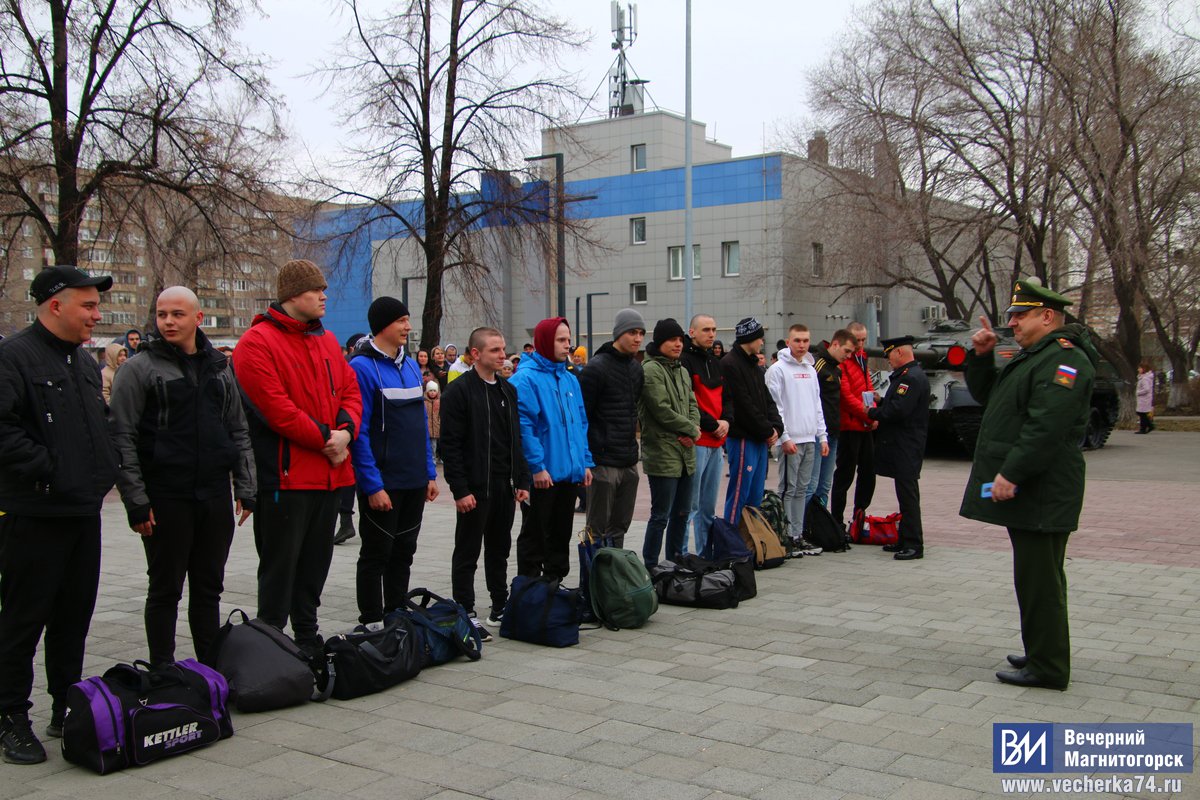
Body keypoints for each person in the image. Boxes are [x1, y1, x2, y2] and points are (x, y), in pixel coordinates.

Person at [0, 266, 118, 764]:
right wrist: (51, 469)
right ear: (56, 306)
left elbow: (99, 425)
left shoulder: (83, 363)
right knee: (24, 620)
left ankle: (65, 705)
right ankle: (10, 716)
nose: (97, 314)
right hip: (35, 513)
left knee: (74, 618)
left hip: (81, 512)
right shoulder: (14, 357)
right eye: (88, 306)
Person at [960, 278, 1097, 690]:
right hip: (1039, 489)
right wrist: (982, 356)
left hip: (1043, 489)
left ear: (1048, 316)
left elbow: (1045, 428)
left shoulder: (1063, 361)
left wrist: (1011, 473)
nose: (1013, 323)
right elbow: (993, 397)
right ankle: (1041, 649)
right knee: (1037, 577)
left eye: (1021, 315)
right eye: (1013, 316)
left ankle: (1050, 667)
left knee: (1040, 581)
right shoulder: (1035, 356)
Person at [109, 287, 256, 667]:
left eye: (177, 314)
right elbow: (121, 437)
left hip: (212, 496)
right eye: (162, 314)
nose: (169, 321)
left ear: (198, 319)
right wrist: (136, 500)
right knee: (164, 591)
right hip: (165, 498)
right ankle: (162, 669)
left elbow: (237, 429)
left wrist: (246, 486)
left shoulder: (219, 368)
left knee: (208, 590)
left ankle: (209, 672)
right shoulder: (138, 368)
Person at [233, 259, 362, 656]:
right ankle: (269, 643)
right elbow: (275, 409)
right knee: (278, 568)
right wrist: (328, 439)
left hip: (328, 474)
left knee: (314, 565)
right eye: (315, 290)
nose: (324, 296)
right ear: (292, 296)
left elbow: (350, 390)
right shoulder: (255, 343)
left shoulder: (325, 340)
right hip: (284, 479)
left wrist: (346, 431)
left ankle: (307, 636)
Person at [348, 298, 438, 630]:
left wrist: (429, 473)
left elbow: (420, 427)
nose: (408, 326)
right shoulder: (360, 368)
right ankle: (371, 621)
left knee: (404, 552)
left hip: (414, 480)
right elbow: (359, 434)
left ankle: (396, 614)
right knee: (376, 554)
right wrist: (372, 485)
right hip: (384, 484)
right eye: (401, 320)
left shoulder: (412, 366)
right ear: (383, 325)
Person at [440, 327, 532, 637]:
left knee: (499, 549)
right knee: (467, 552)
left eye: (504, 349)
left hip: (504, 488)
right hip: (475, 490)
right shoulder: (459, 391)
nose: (503, 355)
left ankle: (499, 604)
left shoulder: (508, 390)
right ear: (476, 354)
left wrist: (522, 479)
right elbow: (449, 446)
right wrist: (461, 489)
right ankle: (464, 609)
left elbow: (515, 440)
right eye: (495, 350)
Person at [508, 317, 593, 580]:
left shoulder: (569, 379)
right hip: (543, 477)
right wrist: (537, 467)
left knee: (560, 535)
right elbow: (525, 428)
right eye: (560, 340)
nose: (567, 345)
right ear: (544, 341)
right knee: (535, 537)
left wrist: (585, 462)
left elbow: (580, 423)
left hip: (568, 473)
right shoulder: (525, 379)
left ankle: (554, 590)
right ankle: (531, 592)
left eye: (568, 339)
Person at [579, 309, 645, 548]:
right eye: (632, 332)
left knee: (619, 528)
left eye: (641, 333)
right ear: (618, 334)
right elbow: (582, 417)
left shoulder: (637, 369)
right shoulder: (596, 368)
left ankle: (613, 578)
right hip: (603, 462)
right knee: (595, 529)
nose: (638, 338)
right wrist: (587, 460)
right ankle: (592, 579)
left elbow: (634, 411)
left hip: (628, 461)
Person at [638, 319, 700, 568]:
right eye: (672, 340)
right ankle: (651, 566)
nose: (678, 344)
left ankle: (675, 561)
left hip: (685, 451)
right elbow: (660, 410)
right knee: (660, 515)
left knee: (682, 514)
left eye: (680, 340)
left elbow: (692, 404)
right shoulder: (650, 369)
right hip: (663, 453)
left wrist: (693, 430)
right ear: (659, 342)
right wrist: (689, 429)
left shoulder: (681, 369)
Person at [766, 324, 828, 555]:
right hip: (790, 441)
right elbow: (776, 407)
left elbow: (817, 404)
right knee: (788, 488)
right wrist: (784, 437)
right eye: (797, 340)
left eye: (805, 340)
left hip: (809, 438)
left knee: (803, 488)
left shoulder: (811, 370)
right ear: (788, 341)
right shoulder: (778, 370)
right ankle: (785, 535)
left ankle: (797, 534)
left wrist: (822, 436)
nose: (802, 345)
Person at [867, 335, 930, 561]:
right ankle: (905, 538)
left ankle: (914, 544)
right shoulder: (908, 375)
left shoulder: (910, 378)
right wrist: (882, 401)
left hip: (906, 445)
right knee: (904, 494)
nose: (888, 360)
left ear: (899, 353)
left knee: (908, 495)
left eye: (890, 355)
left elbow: (899, 411)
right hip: (904, 444)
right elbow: (897, 405)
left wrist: (872, 412)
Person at [721, 318, 783, 523]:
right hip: (743, 438)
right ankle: (731, 539)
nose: (762, 343)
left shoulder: (754, 366)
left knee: (755, 496)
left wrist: (776, 427)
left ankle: (752, 539)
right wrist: (767, 430)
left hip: (759, 438)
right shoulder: (730, 364)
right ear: (749, 339)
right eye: (760, 339)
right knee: (740, 493)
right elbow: (743, 405)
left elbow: (767, 400)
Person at [680, 314, 727, 556]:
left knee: (708, 508)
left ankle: (705, 555)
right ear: (692, 332)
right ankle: (680, 555)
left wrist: (726, 421)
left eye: (714, 329)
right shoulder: (685, 361)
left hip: (716, 442)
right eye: (706, 329)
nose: (711, 334)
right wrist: (713, 424)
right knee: (691, 505)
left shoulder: (715, 361)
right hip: (698, 440)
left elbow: (725, 398)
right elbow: (689, 402)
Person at [831, 322, 877, 528]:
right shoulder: (843, 361)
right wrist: (869, 415)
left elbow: (869, 387)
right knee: (845, 475)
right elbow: (846, 397)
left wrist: (873, 411)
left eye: (863, 340)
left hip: (864, 425)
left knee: (868, 472)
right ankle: (837, 520)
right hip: (849, 427)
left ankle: (860, 515)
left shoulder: (862, 358)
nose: (860, 344)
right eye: (857, 340)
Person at [809, 329, 857, 508]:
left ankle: (820, 525)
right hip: (818, 434)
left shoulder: (836, 370)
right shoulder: (817, 365)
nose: (848, 356)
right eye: (847, 351)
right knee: (812, 485)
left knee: (825, 485)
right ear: (835, 344)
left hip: (833, 433)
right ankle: (806, 525)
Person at [335, 332, 368, 546]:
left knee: (350, 478)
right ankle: (349, 522)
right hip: (354, 429)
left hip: (351, 429)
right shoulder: (355, 366)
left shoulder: (350, 365)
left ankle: (347, 522)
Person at [1135, 362, 1155, 434]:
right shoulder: (1144, 377)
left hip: (1144, 399)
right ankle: (1146, 427)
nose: (1138, 370)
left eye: (1139, 368)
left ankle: (1147, 427)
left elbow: (1146, 389)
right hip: (1144, 399)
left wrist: (1138, 392)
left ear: (1144, 369)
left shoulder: (1145, 379)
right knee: (1142, 414)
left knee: (1142, 413)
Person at [424, 380, 442, 463]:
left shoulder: (439, 402)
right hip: (428, 427)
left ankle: (437, 458)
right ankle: (431, 459)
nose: (432, 393)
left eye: (434, 391)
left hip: (437, 426)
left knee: (437, 444)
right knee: (430, 445)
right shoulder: (424, 402)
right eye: (430, 390)